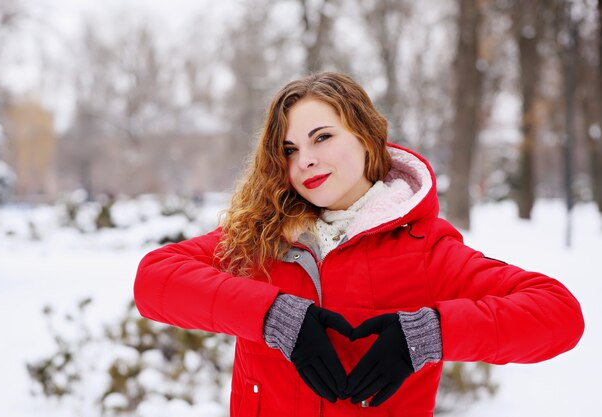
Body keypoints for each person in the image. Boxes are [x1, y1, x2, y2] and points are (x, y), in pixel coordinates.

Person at [134, 72, 584, 417]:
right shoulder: (263, 237)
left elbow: (558, 313)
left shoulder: (424, 249)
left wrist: (425, 335)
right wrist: (275, 316)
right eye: (288, 150)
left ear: (367, 138)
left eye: (322, 137)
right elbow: (154, 280)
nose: (304, 158)